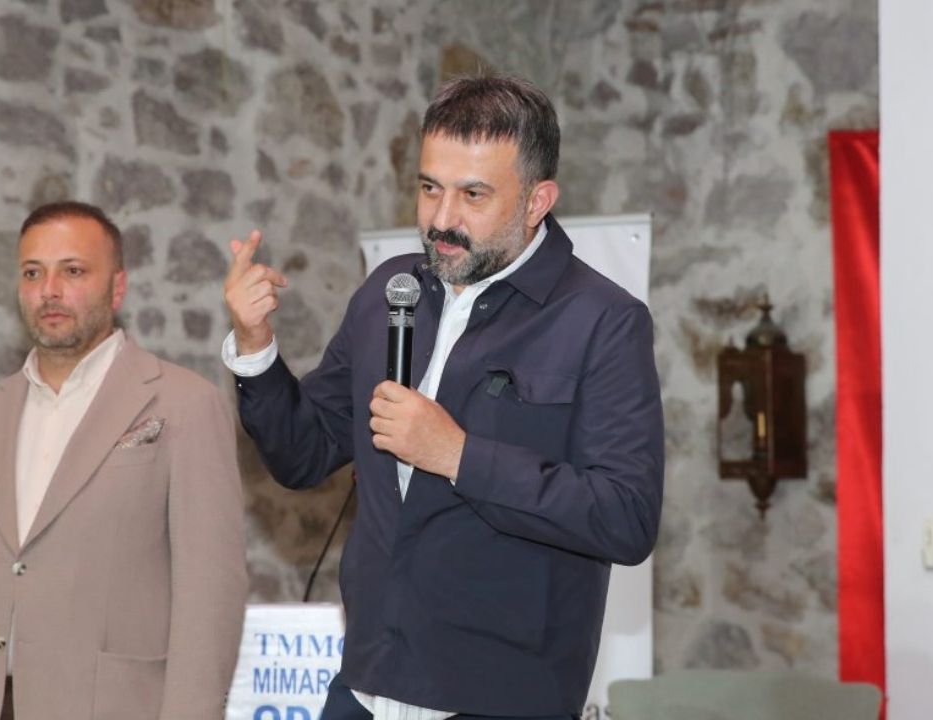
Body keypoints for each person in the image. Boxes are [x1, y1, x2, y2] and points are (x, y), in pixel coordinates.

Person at [222, 76, 664, 719]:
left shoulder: (601, 319)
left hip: (499, 696)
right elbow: (302, 454)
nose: (441, 220)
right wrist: (255, 346)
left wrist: (457, 455)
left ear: (538, 201)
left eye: (472, 195)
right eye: (430, 188)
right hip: (367, 680)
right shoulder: (389, 291)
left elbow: (625, 517)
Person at [0, 201, 248, 719]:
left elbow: (210, 596)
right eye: (32, 273)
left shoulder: (184, 405)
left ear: (117, 288)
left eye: (74, 271)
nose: (50, 290)